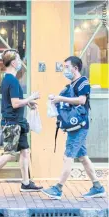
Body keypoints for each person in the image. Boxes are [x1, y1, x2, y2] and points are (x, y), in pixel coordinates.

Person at [0, 49, 43, 194]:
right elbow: (14, 103)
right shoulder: (11, 80)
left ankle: (26, 183)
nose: (20, 62)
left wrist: (27, 103)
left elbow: (16, 102)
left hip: (18, 121)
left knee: (25, 151)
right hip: (12, 123)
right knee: (10, 153)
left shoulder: (9, 79)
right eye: (19, 59)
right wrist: (30, 98)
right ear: (13, 62)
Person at [41, 56, 105, 199]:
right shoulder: (70, 85)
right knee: (82, 157)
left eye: (67, 66)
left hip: (80, 127)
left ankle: (58, 188)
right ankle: (98, 187)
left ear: (75, 68)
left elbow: (81, 100)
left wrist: (61, 99)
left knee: (68, 156)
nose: (65, 70)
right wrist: (55, 98)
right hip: (75, 126)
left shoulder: (83, 82)